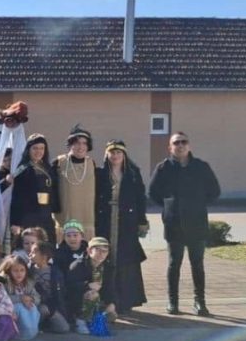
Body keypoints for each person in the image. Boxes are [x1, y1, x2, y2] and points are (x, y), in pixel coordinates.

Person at [148, 131, 221, 316]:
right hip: (174, 224)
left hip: (197, 223)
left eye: (183, 142)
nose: (180, 145)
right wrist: (168, 206)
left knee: (197, 264)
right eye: (176, 143)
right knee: (174, 264)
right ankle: (173, 302)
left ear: (189, 145)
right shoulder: (163, 168)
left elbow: (215, 190)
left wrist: (197, 204)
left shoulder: (201, 167)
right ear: (170, 147)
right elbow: (152, 192)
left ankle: (200, 302)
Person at [96, 140, 149, 316]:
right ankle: (106, 298)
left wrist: (142, 220)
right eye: (112, 153)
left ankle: (126, 299)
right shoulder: (100, 173)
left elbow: (141, 198)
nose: (115, 156)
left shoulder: (133, 174)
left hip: (127, 221)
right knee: (105, 256)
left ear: (124, 155)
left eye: (119, 153)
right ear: (107, 155)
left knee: (125, 258)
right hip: (105, 219)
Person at [11, 134, 60, 243]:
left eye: (42, 148)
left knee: (47, 244)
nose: (38, 151)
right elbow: (16, 196)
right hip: (29, 214)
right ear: (29, 149)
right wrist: (15, 222)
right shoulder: (23, 169)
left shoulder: (48, 168)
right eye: (35, 148)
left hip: (46, 213)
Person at [53, 125, 98, 243]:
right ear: (70, 144)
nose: (81, 146)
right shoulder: (59, 162)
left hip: (86, 216)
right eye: (77, 143)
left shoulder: (91, 163)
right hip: (65, 214)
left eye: (84, 143)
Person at [66, 237, 117, 334]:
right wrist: (87, 286)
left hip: (99, 300)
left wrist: (112, 302)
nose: (101, 254)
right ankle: (80, 320)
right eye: (97, 250)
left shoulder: (108, 267)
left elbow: (110, 287)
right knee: (92, 295)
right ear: (89, 251)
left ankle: (94, 319)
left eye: (105, 251)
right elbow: (69, 286)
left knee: (112, 315)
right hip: (78, 301)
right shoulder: (78, 265)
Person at [28, 241, 69, 333]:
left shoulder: (55, 272)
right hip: (35, 303)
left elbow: (60, 293)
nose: (30, 254)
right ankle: (33, 327)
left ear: (44, 255)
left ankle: (46, 324)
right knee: (43, 310)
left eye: (34, 252)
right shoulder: (29, 271)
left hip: (51, 304)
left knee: (64, 328)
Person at [0, 256, 41, 340]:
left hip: (26, 309)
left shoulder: (28, 283)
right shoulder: (4, 282)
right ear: (9, 271)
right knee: (19, 307)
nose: (19, 273)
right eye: (15, 271)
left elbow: (37, 297)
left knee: (32, 307)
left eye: (22, 270)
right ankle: (15, 331)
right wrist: (21, 298)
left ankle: (30, 330)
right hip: (8, 310)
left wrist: (30, 299)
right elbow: (2, 298)